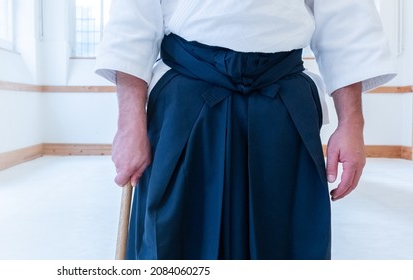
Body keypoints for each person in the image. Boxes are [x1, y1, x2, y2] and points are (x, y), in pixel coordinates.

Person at [95, 0, 396, 260]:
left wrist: (352, 123)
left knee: (287, 240)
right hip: (186, 100)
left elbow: (345, 20)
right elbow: (133, 19)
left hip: (282, 100)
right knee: (175, 236)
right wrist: (129, 124)